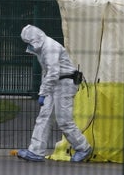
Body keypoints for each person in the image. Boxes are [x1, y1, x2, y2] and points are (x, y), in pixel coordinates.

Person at [15, 24, 93, 163]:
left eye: (29, 43)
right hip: (56, 84)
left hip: (64, 84)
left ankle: (83, 147)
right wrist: (44, 91)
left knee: (64, 120)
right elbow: (48, 73)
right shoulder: (43, 47)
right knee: (44, 117)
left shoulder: (50, 47)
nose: (30, 46)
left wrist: (43, 93)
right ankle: (36, 151)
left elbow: (53, 72)